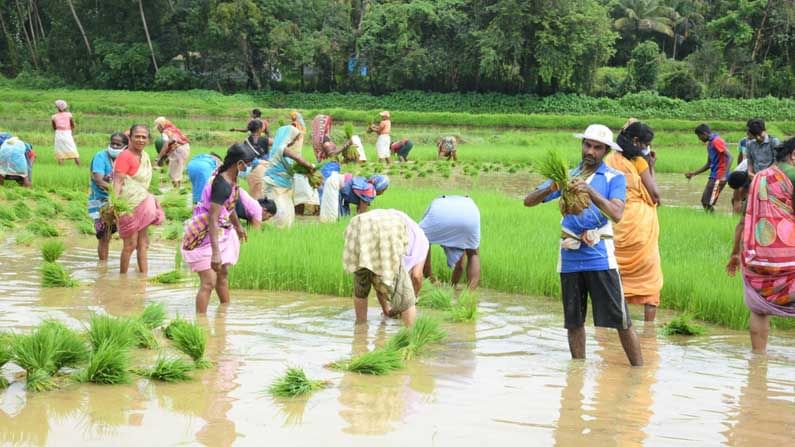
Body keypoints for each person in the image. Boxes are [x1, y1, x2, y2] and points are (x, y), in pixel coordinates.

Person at [523, 124, 643, 366]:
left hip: (600, 256)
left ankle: (639, 372)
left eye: (597, 148)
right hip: (570, 256)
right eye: (587, 145)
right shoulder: (567, 176)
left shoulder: (614, 178)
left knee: (621, 319)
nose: (591, 151)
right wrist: (552, 186)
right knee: (574, 321)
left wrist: (590, 191)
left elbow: (617, 213)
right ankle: (577, 372)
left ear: (606, 151)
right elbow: (528, 201)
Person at [726, 138, 795, 352]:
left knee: (758, 309)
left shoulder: (758, 179)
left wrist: (735, 254)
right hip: (789, 255)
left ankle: (758, 361)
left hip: (756, 255)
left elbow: (743, 220)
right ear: (793, 155)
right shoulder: (792, 176)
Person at [181, 144, 255, 314]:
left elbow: (228, 206)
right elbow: (213, 219)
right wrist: (215, 253)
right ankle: (201, 325)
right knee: (208, 282)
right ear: (240, 164)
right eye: (248, 164)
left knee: (222, 275)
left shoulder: (232, 180)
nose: (249, 168)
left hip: (220, 232)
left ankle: (224, 314)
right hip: (204, 235)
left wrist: (238, 226)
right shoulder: (222, 184)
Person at [605, 121, 663, 322]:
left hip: (616, 224)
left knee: (615, 276)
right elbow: (654, 194)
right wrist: (651, 166)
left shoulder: (610, 159)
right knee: (650, 276)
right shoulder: (639, 162)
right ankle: (649, 330)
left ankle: (613, 324)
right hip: (639, 227)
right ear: (636, 141)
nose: (647, 148)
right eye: (646, 144)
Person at [343, 209, 428, 327]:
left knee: (362, 280)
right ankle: (412, 337)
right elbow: (417, 276)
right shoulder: (423, 241)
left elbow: (378, 276)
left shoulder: (407, 223)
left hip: (360, 225)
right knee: (405, 296)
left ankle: (360, 331)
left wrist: (386, 310)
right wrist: (414, 298)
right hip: (388, 229)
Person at [113, 124, 165, 274]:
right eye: (137, 136)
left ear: (148, 139)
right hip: (128, 206)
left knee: (143, 244)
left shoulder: (146, 157)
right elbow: (118, 182)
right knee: (130, 245)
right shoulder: (125, 156)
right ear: (130, 137)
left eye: (144, 137)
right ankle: (122, 279)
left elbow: (143, 185)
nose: (140, 140)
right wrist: (114, 205)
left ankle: (143, 278)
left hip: (143, 204)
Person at [419, 195, 481, 290]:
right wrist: (453, 286)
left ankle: (427, 283)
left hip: (439, 216)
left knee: (422, 241)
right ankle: (470, 295)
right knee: (473, 253)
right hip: (470, 217)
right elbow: (459, 266)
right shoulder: (469, 204)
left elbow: (424, 254)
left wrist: (432, 279)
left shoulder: (436, 203)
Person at [262, 125, 316, 228]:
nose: (294, 142)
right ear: (288, 137)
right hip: (275, 184)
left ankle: (282, 233)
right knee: (279, 212)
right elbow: (298, 158)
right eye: (293, 139)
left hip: (283, 185)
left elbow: (293, 167)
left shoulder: (278, 148)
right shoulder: (282, 148)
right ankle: (273, 232)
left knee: (286, 212)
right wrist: (311, 167)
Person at [88, 132, 128, 261]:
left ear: (125, 147)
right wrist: (116, 190)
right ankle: (103, 265)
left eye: (118, 144)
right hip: (100, 201)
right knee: (104, 236)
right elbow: (99, 180)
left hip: (119, 201)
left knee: (125, 233)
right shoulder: (100, 156)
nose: (114, 146)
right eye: (113, 143)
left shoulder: (125, 158)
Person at [686, 124, 732, 212]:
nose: (699, 138)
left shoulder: (716, 141)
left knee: (707, 202)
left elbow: (730, 157)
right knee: (705, 201)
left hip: (719, 176)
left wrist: (724, 175)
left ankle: (713, 220)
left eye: (699, 136)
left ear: (704, 134)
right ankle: (711, 219)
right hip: (714, 175)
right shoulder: (710, 144)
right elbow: (708, 164)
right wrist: (694, 173)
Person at [319, 173, 389, 222]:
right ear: (380, 187)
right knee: (332, 218)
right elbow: (361, 213)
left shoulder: (366, 184)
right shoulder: (370, 190)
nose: (382, 193)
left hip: (334, 181)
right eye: (383, 190)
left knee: (342, 216)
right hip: (334, 184)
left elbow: (360, 207)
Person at [154, 117, 191, 188]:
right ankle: (177, 190)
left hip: (179, 151)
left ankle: (176, 192)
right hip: (185, 148)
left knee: (173, 174)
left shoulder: (165, 132)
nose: (158, 130)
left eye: (158, 128)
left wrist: (158, 158)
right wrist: (165, 156)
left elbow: (165, 145)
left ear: (160, 125)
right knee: (177, 172)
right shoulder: (173, 128)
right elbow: (173, 144)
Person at [243, 119, 270, 199]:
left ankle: (253, 208)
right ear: (260, 129)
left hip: (251, 169)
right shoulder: (265, 139)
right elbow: (278, 144)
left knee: (253, 191)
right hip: (262, 168)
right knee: (262, 192)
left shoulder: (246, 140)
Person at [51, 99, 80, 166]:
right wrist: (70, 131)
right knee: (74, 151)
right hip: (67, 134)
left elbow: (54, 127)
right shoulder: (69, 115)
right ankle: (79, 167)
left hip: (58, 134)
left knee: (60, 152)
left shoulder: (54, 116)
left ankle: (61, 168)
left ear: (57, 108)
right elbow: (73, 125)